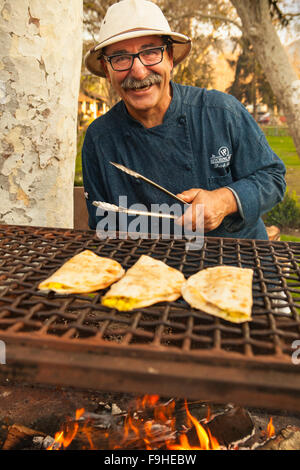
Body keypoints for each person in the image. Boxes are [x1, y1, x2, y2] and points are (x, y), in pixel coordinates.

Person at [82, 0, 286, 240]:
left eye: (150, 53)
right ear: (107, 71)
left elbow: (272, 177)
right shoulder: (99, 139)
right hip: (149, 271)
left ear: (169, 58)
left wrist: (224, 200)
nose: (138, 71)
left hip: (238, 265)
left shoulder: (221, 112)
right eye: (120, 58)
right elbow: (103, 225)